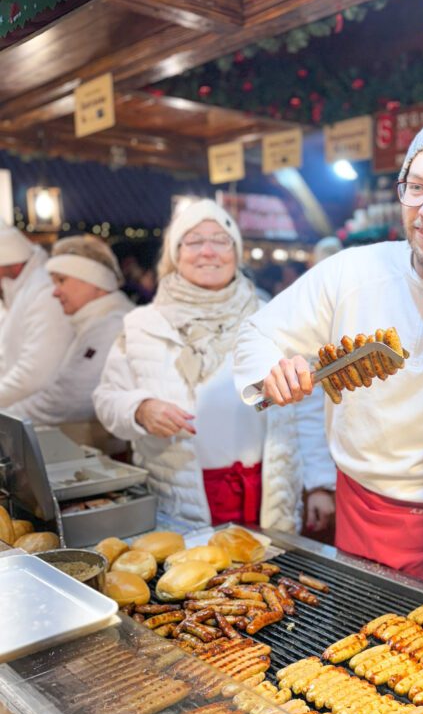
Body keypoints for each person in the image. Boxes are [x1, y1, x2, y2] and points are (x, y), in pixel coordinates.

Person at [234, 116, 423, 593]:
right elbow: (257, 334)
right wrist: (272, 370)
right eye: (416, 188)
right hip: (360, 505)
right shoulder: (352, 272)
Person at [93, 199, 317, 531]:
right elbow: (107, 398)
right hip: (180, 500)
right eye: (194, 241)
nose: (208, 251)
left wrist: (320, 484)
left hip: (268, 496)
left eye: (220, 240)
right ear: (175, 255)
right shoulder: (143, 325)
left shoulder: (271, 316)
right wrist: (139, 409)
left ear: (236, 253)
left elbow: (308, 406)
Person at [8, 236, 133, 426]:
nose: (55, 292)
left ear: (94, 280)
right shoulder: (95, 322)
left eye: (61, 280)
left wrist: (9, 418)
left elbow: (69, 398)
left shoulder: (110, 326)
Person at [0, 227, 73, 409]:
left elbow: (35, 373)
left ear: (12, 263)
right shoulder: (18, 290)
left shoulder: (45, 293)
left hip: (42, 418)